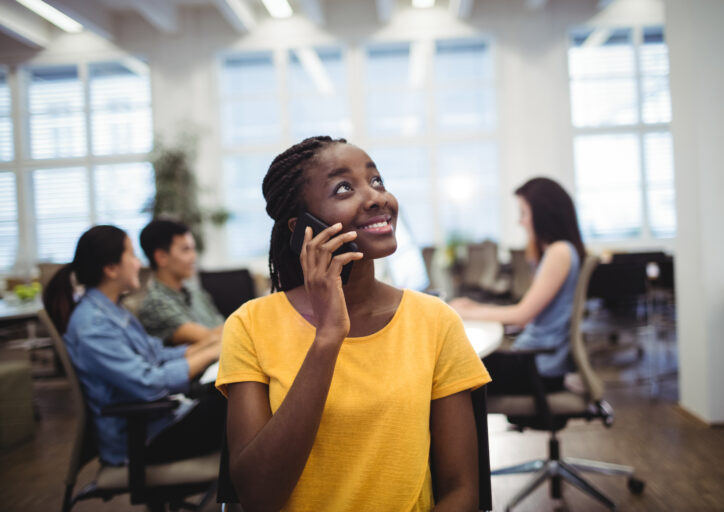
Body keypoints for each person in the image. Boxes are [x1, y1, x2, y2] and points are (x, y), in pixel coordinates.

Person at [215, 136, 491, 511]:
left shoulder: (434, 321)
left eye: (376, 180)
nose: (377, 197)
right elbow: (257, 497)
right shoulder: (250, 325)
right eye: (344, 187)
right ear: (301, 228)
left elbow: (462, 492)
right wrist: (327, 338)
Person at [43, 225, 224, 466]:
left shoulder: (112, 311)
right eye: (132, 255)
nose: (139, 264)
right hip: (143, 440)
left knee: (231, 389)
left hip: (162, 420)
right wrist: (212, 350)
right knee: (240, 400)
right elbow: (147, 383)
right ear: (111, 268)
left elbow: (156, 353)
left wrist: (210, 347)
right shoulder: (93, 325)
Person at [450, 177, 586, 394]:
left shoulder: (559, 252)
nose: (520, 221)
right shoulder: (558, 251)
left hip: (538, 369)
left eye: (524, 213)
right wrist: (473, 309)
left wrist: (465, 312)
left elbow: (522, 315)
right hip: (535, 361)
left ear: (543, 214)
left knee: (450, 375)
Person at [137, 218, 224, 346]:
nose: (194, 256)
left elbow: (223, 327)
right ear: (161, 257)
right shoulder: (156, 303)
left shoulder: (194, 292)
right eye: (185, 249)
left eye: (193, 249)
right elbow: (209, 338)